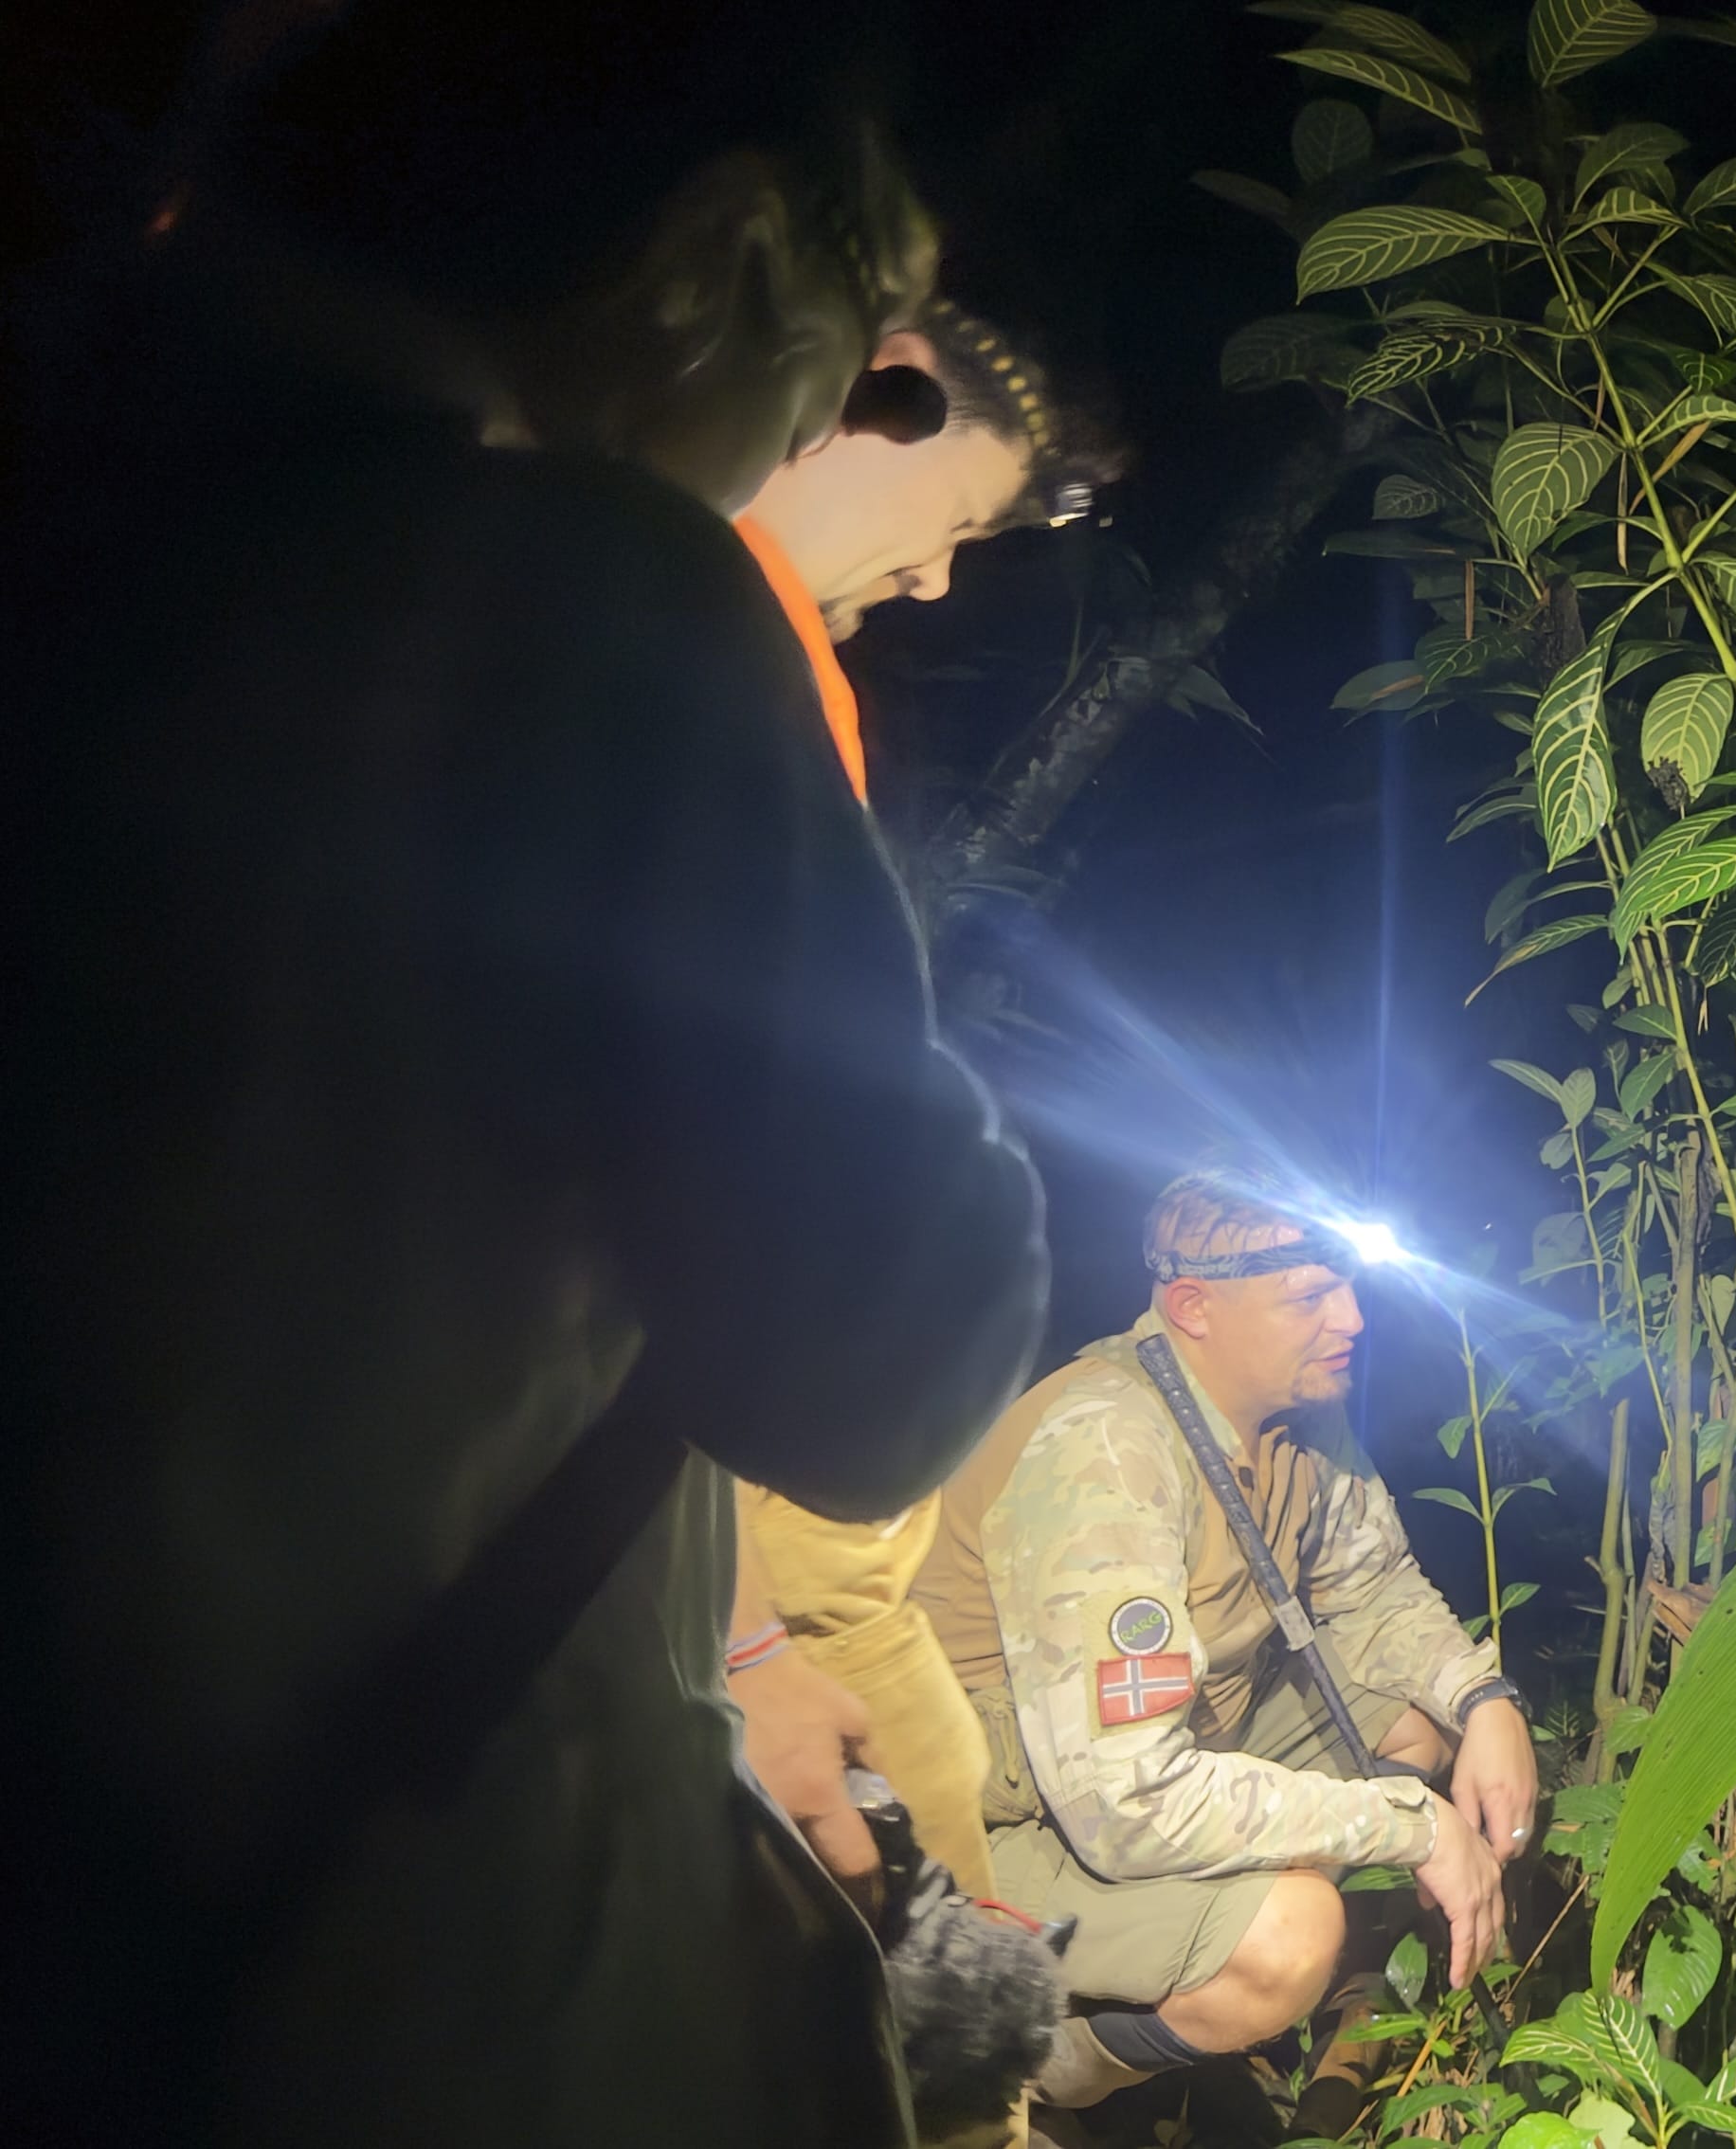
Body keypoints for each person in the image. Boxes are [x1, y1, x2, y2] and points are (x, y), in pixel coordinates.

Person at [1, 4, 1047, 2142]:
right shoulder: (583, 593)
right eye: (842, 355)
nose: (794, 450)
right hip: (402, 1965)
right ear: (724, 260)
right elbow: (885, 1361)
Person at [727, 295, 1126, 1906]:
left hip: (745, 1468)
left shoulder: (723, 638)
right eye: (954, 515)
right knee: (917, 1870)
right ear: (864, 395)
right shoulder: (704, 643)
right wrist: (739, 1626)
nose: (943, 574)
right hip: (735, 1481)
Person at [910, 1171, 1543, 2110]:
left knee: (1418, 1726)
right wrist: (1414, 1828)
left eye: (1350, 1286)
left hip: (1158, 1751)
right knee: (1285, 1940)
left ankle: (1304, 1988)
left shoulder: (1295, 1415)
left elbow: (1372, 1596)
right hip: (987, 1828)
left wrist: (1483, 1702)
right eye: (1311, 1296)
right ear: (1194, 1307)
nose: (1354, 1318)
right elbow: (1127, 1803)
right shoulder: (1106, 1448)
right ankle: (1013, 2082)